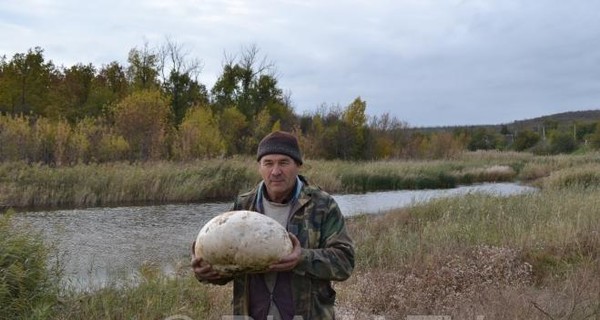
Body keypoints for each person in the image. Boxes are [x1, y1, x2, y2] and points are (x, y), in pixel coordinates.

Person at [191, 130, 355, 320]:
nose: (275, 171)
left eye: (284, 162)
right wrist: (206, 272)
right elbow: (228, 263)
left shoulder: (322, 205)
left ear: (298, 165)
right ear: (260, 167)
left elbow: (345, 262)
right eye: (268, 163)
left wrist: (301, 258)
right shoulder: (243, 207)